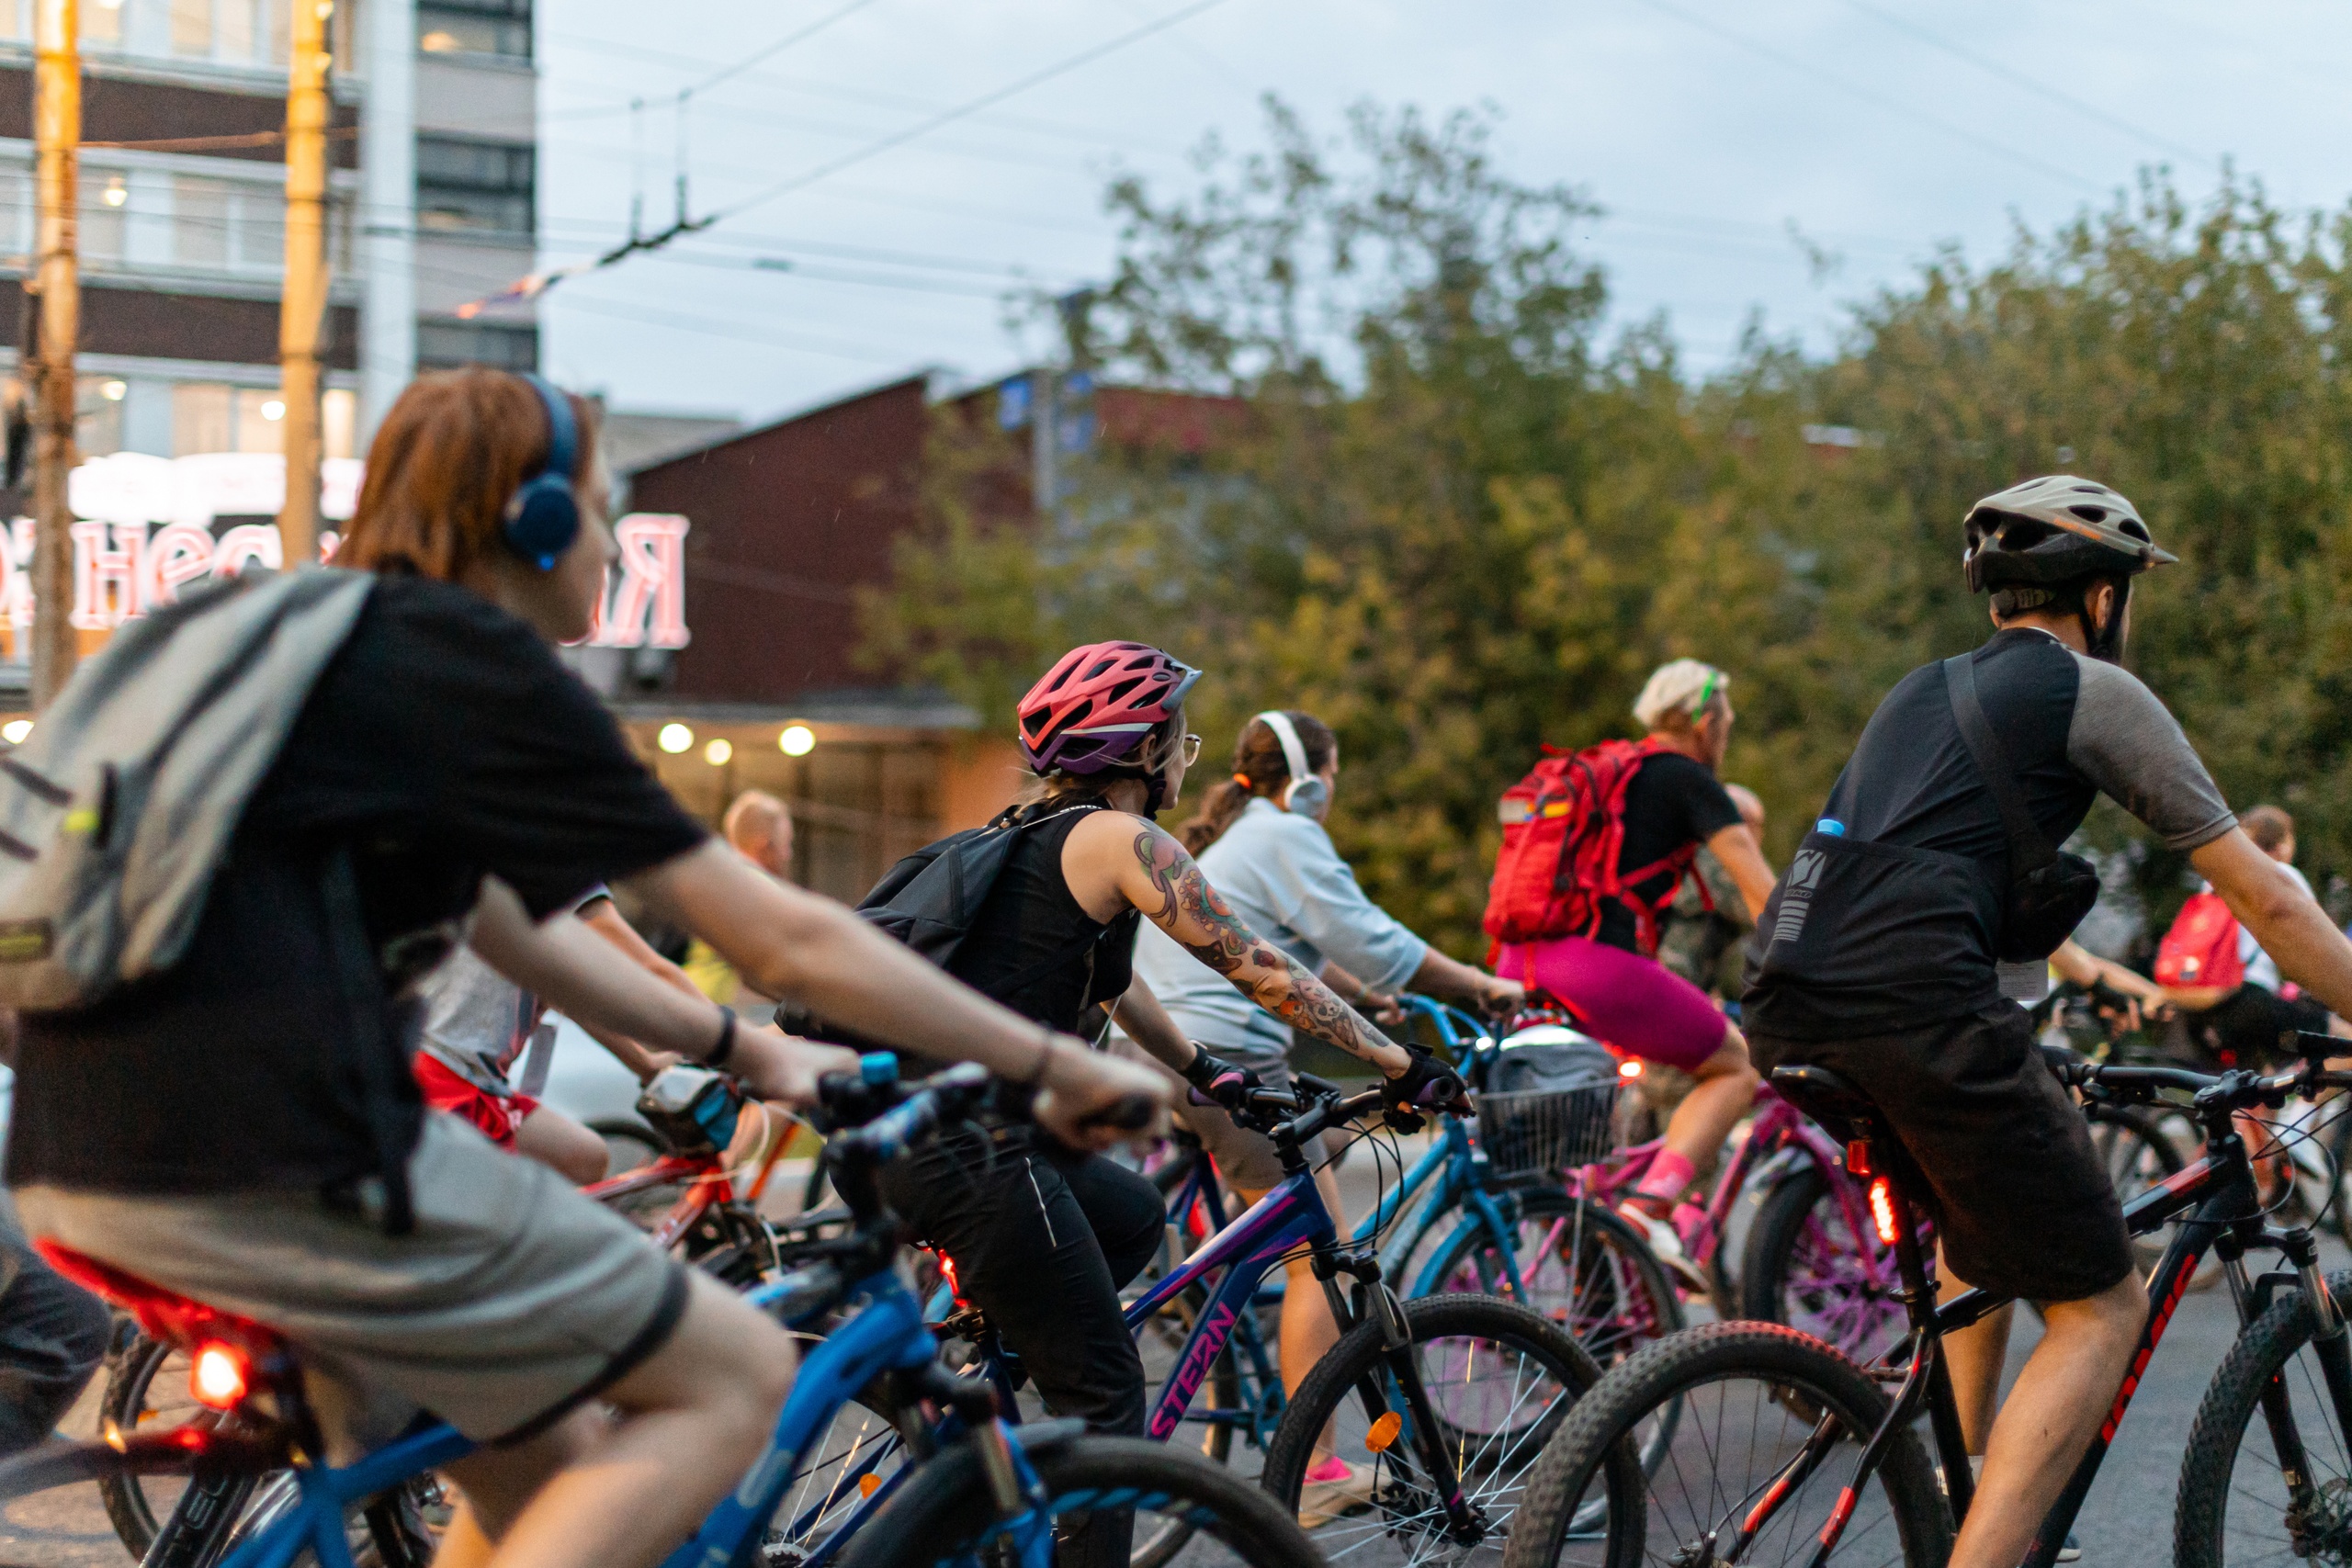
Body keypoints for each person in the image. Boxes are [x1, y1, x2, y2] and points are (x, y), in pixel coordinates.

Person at [5, 370, 1168, 1568]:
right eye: (603, 507)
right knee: (735, 1371)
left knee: (546, 1468)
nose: (611, 541)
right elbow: (786, 934)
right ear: (537, 518)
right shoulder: (470, 661)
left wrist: (756, 1051)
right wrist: (1046, 1063)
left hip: (73, 1151)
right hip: (292, 1153)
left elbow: (515, 919)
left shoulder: (269, 628)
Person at [1740, 475, 2352, 1568]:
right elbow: (2267, 897)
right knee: (2101, 1306)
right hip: (1916, 1007)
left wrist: (2021, 1042)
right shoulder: (2094, 695)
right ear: (2104, 599)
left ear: (1996, 599)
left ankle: (1966, 1494)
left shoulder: (1918, 693)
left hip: (1789, 1001)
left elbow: (1951, 883)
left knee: (1984, 1243)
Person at [870, 643, 1464, 1565]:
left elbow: (1114, 992)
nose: (1191, 754)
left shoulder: (1035, 833)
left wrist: (1202, 1066)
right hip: (979, 1152)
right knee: (1106, 1401)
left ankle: (1006, 1370)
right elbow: (1255, 965)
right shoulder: (1121, 840)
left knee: (1133, 1213)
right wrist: (1395, 1060)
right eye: (1180, 736)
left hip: (934, 1136)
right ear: (1141, 749)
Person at [1136, 709, 1520, 1522]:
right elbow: (1374, 936)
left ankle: (1227, 1288)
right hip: (1226, 1054)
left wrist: (1367, 995)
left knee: (1336, 1129)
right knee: (1319, 1250)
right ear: (1312, 777)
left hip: (1164, 1049)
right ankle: (1314, 1471)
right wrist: (1478, 985)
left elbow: (1298, 942)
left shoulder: (1243, 835)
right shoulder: (1285, 834)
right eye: (1335, 773)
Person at [1488, 659, 1777, 1284]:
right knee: (1737, 1064)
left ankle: (1602, 1311)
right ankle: (1651, 1210)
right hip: (1594, 964)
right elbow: (1764, 896)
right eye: (1725, 719)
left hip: (1518, 962)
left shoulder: (1608, 768)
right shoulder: (1686, 777)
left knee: (1594, 1138)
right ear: (1703, 719)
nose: (1725, 733)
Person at [413, 887, 715, 1184]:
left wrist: (646, 1065)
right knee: (496, 1219)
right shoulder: (559, 874)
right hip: (446, 1079)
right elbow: (651, 971)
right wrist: (732, 1045)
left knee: (585, 1156)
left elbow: (571, 996)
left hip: (457, 1073)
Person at [2164, 804, 2343, 1062]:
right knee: (2342, 1039)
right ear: (2282, 844)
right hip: (2253, 999)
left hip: (2206, 1003)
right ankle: (2304, 1105)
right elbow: (2319, 940)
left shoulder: (2215, 881)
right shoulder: (2284, 875)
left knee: (2254, 1085)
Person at [684, 791, 795, 1006]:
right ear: (764, 845)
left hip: (696, 994)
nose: (787, 854)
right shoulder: (759, 889)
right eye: (785, 844)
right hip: (727, 1009)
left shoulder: (716, 878)